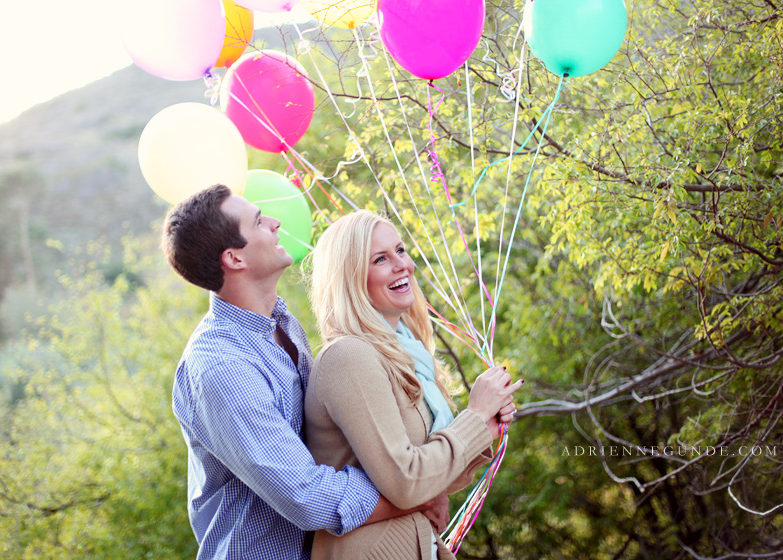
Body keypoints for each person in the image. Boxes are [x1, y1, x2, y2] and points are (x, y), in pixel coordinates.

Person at [161, 185, 449, 560]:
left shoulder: (282, 323)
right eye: (260, 221)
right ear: (234, 258)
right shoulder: (221, 368)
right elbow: (307, 496)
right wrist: (410, 494)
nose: (277, 223)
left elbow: (328, 445)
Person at [305, 210, 523, 559]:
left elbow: (435, 480)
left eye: (401, 250)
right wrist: (475, 416)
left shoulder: (404, 353)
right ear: (350, 277)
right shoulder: (349, 357)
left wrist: (487, 426)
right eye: (380, 259)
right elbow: (407, 482)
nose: (401, 264)